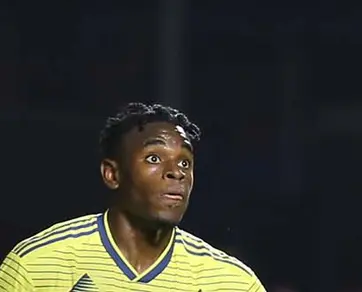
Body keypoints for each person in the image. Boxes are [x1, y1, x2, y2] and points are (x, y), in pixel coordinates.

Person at [0, 103, 264, 291]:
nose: (176, 173)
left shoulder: (231, 283)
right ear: (112, 174)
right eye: (154, 158)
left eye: (185, 163)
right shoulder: (38, 267)